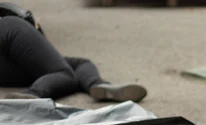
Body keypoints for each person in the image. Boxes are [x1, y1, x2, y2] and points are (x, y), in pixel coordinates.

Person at [0, 9, 147, 102]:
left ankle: (96, 85)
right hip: (10, 31)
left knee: (76, 65)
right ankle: (31, 96)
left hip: (8, 62)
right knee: (64, 73)